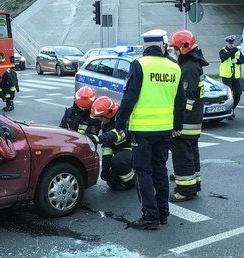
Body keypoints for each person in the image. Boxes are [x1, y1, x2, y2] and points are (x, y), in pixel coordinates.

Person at [115, 29, 186, 230]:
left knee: (143, 172)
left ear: (145, 46)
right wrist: (177, 126)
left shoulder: (139, 65)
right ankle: (163, 213)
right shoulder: (174, 67)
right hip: (165, 129)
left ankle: (150, 216)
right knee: (160, 171)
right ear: (162, 45)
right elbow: (180, 101)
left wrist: (120, 123)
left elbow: (129, 97)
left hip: (143, 131)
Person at [168, 30, 209, 202]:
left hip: (186, 123)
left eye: (176, 49)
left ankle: (185, 190)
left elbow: (187, 100)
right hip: (194, 121)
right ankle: (194, 183)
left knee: (182, 155)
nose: (174, 53)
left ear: (184, 48)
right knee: (191, 153)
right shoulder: (194, 64)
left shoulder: (189, 68)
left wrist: (178, 124)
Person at [88, 96, 134, 191]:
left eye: (101, 117)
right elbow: (106, 149)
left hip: (133, 150)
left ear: (108, 114)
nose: (100, 119)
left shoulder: (122, 118)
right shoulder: (106, 124)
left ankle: (133, 181)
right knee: (111, 181)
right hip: (120, 153)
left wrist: (98, 139)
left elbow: (117, 134)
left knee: (118, 161)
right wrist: (105, 170)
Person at [219, 35, 244, 119]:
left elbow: (243, 59)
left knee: (238, 94)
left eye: (232, 43)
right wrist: (234, 50)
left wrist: (237, 61)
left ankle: (232, 109)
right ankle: (227, 111)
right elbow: (224, 57)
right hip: (226, 76)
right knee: (229, 95)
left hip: (235, 76)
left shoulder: (237, 51)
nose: (231, 45)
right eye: (230, 43)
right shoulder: (223, 51)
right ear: (226, 43)